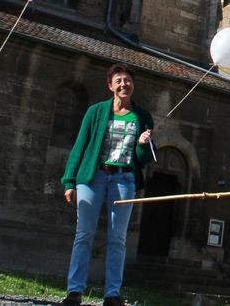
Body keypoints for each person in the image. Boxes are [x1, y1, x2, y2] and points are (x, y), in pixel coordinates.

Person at [60, 63, 155, 306]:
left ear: (133, 84)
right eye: (119, 81)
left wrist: (143, 144)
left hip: (124, 179)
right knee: (84, 234)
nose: (124, 85)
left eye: (127, 80)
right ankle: (74, 291)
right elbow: (80, 145)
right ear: (110, 86)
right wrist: (69, 180)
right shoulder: (96, 111)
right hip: (93, 177)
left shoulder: (142, 117)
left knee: (118, 238)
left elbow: (141, 161)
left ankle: (112, 294)